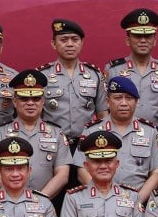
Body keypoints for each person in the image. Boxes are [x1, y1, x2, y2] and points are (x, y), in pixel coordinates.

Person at [73, 76, 158, 202]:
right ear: (108, 102)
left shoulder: (150, 131)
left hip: (138, 201)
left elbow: (157, 173)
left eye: (129, 98)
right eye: (118, 98)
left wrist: (135, 201)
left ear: (137, 102)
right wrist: (104, 199)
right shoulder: (91, 130)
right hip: (98, 202)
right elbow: (82, 171)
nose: (124, 103)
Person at [0, 69, 71, 199]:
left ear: (43, 102)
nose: (30, 103)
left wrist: (39, 199)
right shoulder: (0, 134)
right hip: (9, 203)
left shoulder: (56, 133)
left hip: (47, 202)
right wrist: (21, 198)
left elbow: (62, 174)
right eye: (24, 98)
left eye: (36, 98)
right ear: (15, 102)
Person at [38, 19, 107, 153]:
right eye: (64, 40)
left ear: (82, 43)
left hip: (87, 145)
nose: (70, 44)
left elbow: (103, 114)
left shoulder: (95, 75)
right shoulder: (42, 76)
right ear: (54, 44)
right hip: (52, 144)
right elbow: (35, 115)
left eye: (75, 40)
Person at [104, 8, 158, 136]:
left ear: (155, 40)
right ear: (127, 40)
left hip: (157, 137)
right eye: (137, 36)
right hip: (121, 135)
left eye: (148, 36)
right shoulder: (113, 69)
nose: (143, 40)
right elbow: (104, 109)